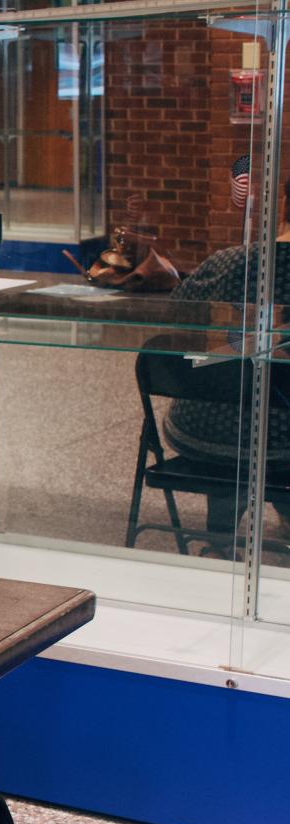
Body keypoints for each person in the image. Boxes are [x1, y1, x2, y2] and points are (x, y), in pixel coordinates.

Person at [166, 169, 290, 548]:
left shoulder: (228, 262)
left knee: (240, 398)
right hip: (280, 437)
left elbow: (175, 318)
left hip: (200, 427)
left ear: (284, 204)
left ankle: (219, 537)